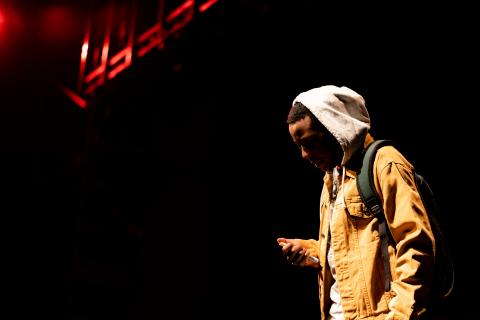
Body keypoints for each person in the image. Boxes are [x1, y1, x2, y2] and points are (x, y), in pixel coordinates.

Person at [277, 85, 436, 320]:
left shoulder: (384, 163)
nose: (305, 155)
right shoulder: (332, 179)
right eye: (299, 146)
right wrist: (312, 251)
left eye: (309, 143)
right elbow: (357, 252)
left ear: (335, 129)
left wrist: (400, 316)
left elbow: (416, 246)